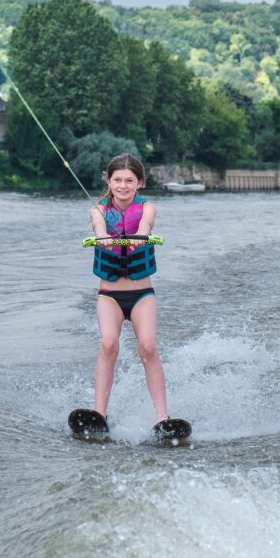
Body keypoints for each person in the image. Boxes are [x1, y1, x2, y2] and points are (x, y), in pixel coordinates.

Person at [89, 153, 168, 426]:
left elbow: (145, 226)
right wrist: (103, 239)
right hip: (109, 295)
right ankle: (99, 414)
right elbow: (99, 227)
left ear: (140, 183)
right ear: (108, 182)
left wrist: (140, 238)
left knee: (147, 347)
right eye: (117, 180)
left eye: (129, 181)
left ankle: (162, 418)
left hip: (141, 295)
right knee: (109, 344)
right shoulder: (98, 210)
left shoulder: (148, 209)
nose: (123, 186)